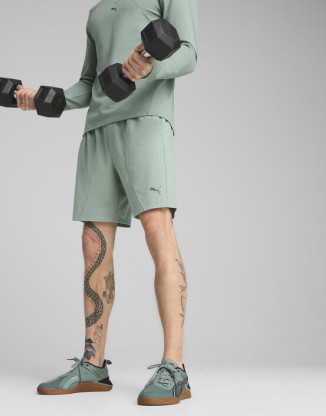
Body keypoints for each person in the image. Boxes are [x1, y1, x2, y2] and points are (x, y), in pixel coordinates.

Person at [16, 0, 197, 406]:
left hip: (146, 120)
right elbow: (90, 82)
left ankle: (175, 368)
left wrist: (149, 67)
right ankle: (93, 365)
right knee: (93, 243)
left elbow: (188, 53)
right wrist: (42, 98)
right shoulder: (97, 13)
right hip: (98, 128)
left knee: (158, 230)